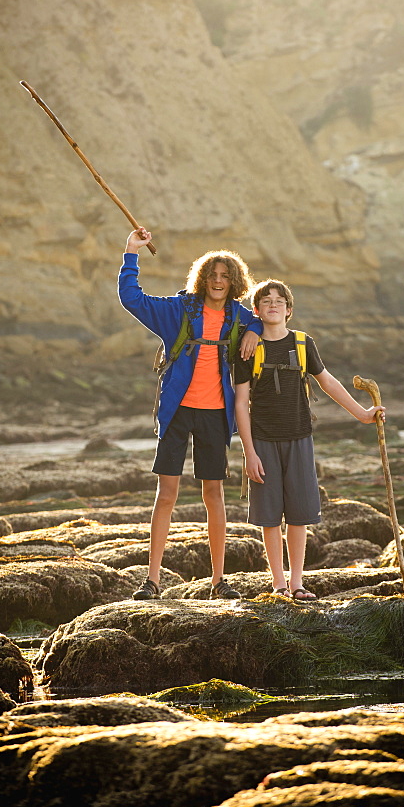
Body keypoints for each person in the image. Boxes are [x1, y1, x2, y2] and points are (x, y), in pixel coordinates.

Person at [118, 226, 262, 600]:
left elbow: (266, 317)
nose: (218, 281)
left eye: (225, 276)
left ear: (234, 282)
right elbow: (132, 298)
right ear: (202, 279)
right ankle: (152, 581)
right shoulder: (179, 310)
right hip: (178, 412)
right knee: (166, 494)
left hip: (216, 415)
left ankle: (219, 582)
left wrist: (256, 330)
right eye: (212, 275)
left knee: (213, 494)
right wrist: (131, 253)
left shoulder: (240, 317)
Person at [234, 279, 385, 602]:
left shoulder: (303, 344)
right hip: (262, 441)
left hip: (300, 437)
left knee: (300, 514)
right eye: (265, 300)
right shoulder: (248, 347)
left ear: (289, 310)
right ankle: (278, 584)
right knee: (270, 517)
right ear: (257, 310)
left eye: (279, 300)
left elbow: (328, 383)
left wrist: (363, 414)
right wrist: (249, 452)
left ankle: (298, 583)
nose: (273, 304)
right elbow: (239, 403)